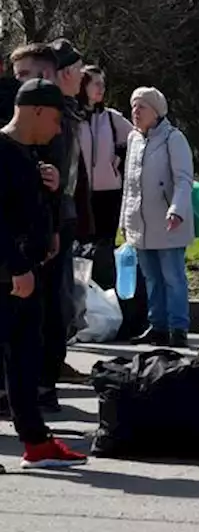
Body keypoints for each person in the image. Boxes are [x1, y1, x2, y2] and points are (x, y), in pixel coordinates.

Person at [0, 79, 89, 469]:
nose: (58, 129)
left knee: (24, 360)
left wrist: (51, 199)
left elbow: (25, 207)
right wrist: (16, 267)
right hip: (8, 273)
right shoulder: (1, 152)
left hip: (29, 270)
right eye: (55, 119)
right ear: (35, 110)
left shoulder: (28, 155)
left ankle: (35, 442)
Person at [9, 40, 86, 407]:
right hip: (36, 226)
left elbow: (67, 175)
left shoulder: (59, 116)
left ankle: (42, 384)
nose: (17, 83)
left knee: (48, 307)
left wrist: (56, 221)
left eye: (24, 75)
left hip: (50, 223)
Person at [119, 87, 195, 348]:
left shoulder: (174, 138)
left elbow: (184, 180)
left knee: (173, 277)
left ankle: (178, 328)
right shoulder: (133, 139)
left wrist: (176, 210)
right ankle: (158, 325)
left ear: (157, 111)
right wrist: (124, 221)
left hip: (168, 222)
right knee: (151, 277)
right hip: (140, 223)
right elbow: (129, 186)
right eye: (134, 106)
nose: (136, 112)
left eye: (142, 107)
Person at [76, 66, 134, 285]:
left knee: (105, 246)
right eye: (96, 83)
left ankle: (106, 290)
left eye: (103, 83)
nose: (101, 88)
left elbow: (136, 139)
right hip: (79, 193)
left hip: (108, 193)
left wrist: (117, 161)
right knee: (80, 246)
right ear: (84, 86)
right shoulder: (72, 117)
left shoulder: (111, 118)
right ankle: (83, 291)